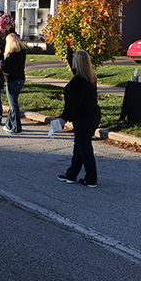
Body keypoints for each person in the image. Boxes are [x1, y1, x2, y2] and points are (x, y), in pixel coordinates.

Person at [56, 47, 102, 188]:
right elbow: (74, 69)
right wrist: (69, 51)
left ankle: (91, 178)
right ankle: (71, 175)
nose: (72, 62)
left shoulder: (77, 83)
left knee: (85, 149)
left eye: (74, 60)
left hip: (84, 119)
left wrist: (63, 118)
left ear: (79, 63)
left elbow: (73, 105)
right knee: (80, 147)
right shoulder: (90, 77)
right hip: (92, 116)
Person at [1, 32, 26, 135]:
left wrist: (1, 67)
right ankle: (9, 124)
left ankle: (17, 128)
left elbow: (9, 70)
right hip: (20, 79)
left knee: (13, 104)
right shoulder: (22, 52)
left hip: (13, 80)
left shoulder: (12, 55)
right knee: (13, 103)